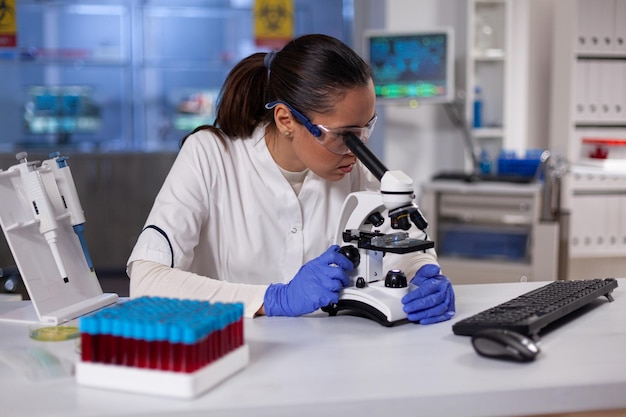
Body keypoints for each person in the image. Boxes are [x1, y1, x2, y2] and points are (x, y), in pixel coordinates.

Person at [127, 33, 455, 324]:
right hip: (235, 352)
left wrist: (424, 273)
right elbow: (146, 280)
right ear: (285, 119)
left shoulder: (354, 165)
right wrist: (272, 299)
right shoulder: (211, 155)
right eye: (345, 135)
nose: (358, 149)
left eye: (367, 128)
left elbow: (405, 241)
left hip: (330, 357)